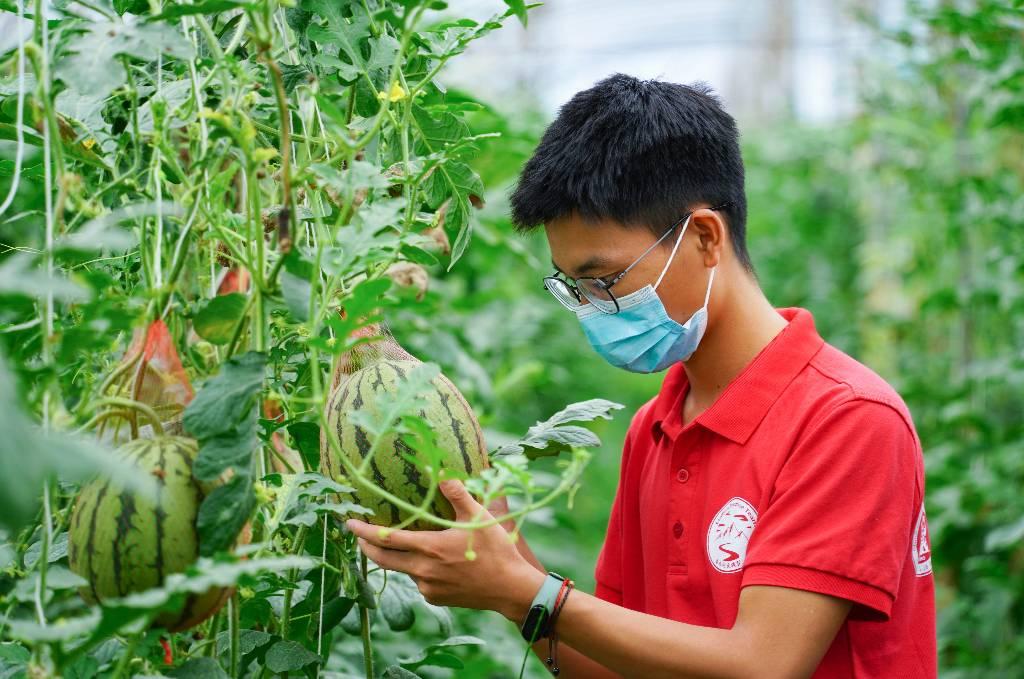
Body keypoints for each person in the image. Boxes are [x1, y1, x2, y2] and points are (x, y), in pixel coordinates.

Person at [346, 73, 937, 678]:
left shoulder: (847, 420)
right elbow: (614, 667)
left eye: (602, 279)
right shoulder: (654, 429)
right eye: (572, 287)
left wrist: (528, 592)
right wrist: (499, 550)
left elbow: (763, 665)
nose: (591, 307)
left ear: (704, 237)